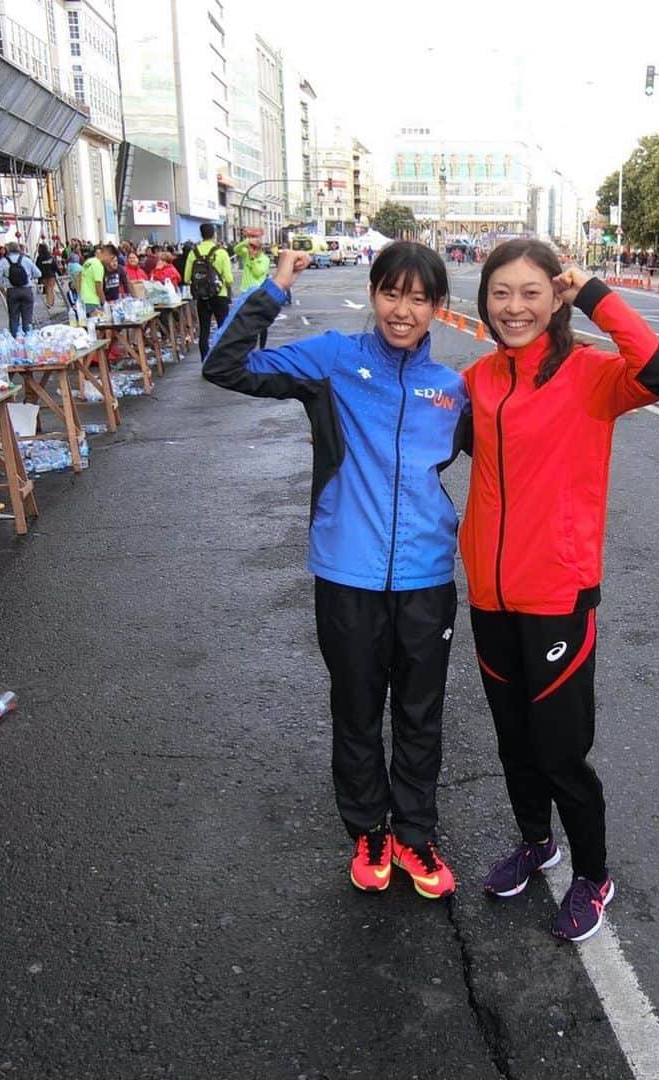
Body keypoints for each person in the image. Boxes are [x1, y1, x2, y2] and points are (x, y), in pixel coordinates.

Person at [202, 241, 470, 901]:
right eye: (391, 293)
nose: (402, 310)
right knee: (355, 713)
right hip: (347, 577)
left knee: (420, 716)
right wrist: (272, 290)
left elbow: (509, 459)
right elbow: (224, 365)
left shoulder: (452, 391)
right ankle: (368, 832)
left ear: (438, 307)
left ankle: (413, 833)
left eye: (418, 298)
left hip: (426, 580)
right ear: (375, 293)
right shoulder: (333, 361)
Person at [460, 239, 659, 943]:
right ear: (484, 300)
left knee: (560, 751)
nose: (514, 307)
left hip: (557, 591)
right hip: (490, 594)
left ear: (555, 299)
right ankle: (536, 842)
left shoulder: (592, 375)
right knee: (513, 743)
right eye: (501, 292)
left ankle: (593, 873)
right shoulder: (479, 379)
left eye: (532, 292)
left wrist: (596, 293)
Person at [185, 223, 233, 359]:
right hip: (220, 294)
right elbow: (229, 279)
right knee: (223, 328)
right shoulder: (221, 253)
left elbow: (187, 277)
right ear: (214, 234)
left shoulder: (193, 253)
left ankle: (205, 361)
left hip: (202, 296)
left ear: (201, 234)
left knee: (204, 330)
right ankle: (224, 359)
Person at [233, 235, 273, 346]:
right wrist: (246, 241)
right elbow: (236, 249)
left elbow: (257, 273)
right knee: (246, 321)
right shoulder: (246, 254)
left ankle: (262, 347)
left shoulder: (264, 259)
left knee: (260, 321)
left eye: (252, 248)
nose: (249, 251)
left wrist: (252, 259)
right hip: (246, 292)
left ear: (258, 249)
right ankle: (249, 345)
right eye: (249, 248)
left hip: (258, 292)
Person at [0, 241, 41, 337]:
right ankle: (28, 337)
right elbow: (38, 273)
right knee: (27, 316)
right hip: (26, 290)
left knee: (13, 316)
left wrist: (3, 286)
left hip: (12, 291)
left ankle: (15, 338)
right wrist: (28, 278)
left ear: (7, 250)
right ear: (18, 249)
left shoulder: (3, 262)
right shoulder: (26, 260)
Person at [35, 242, 59, 308]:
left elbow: (37, 267)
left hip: (43, 276)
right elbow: (55, 266)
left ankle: (50, 302)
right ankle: (50, 302)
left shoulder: (39, 258)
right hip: (51, 275)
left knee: (48, 289)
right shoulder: (50, 257)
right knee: (50, 289)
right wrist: (59, 273)